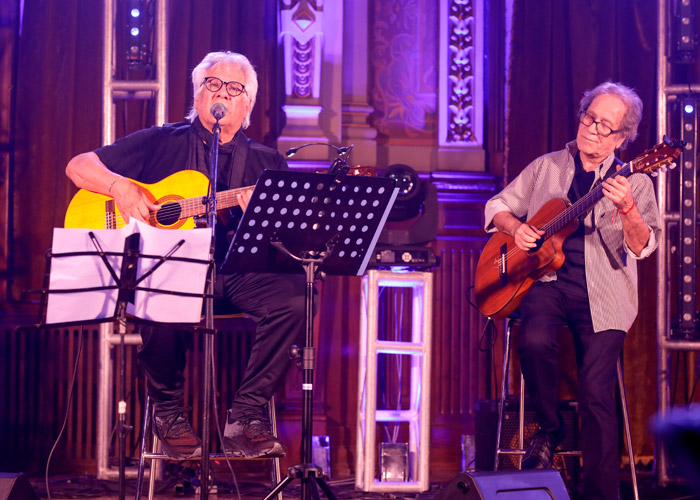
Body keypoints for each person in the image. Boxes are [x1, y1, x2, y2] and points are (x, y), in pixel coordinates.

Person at [66, 51, 309, 460]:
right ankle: (168, 410)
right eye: (212, 84)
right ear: (196, 96)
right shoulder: (160, 141)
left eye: (234, 89)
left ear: (247, 104)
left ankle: (246, 414)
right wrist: (118, 187)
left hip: (236, 276)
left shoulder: (268, 162)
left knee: (299, 298)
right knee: (162, 288)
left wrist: (263, 217)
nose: (222, 94)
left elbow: (287, 244)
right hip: (169, 269)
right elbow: (78, 166)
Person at [483, 82, 661, 500]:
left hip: (606, 294)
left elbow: (644, 246)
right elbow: (495, 206)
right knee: (534, 340)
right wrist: (518, 227)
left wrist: (628, 210)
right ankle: (550, 428)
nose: (593, 130)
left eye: (605, 126)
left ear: (622, 138)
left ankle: (600, 494)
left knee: (596, 392)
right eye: (589, 118)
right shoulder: (547, 167)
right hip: (547, 282)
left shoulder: (635, 183)